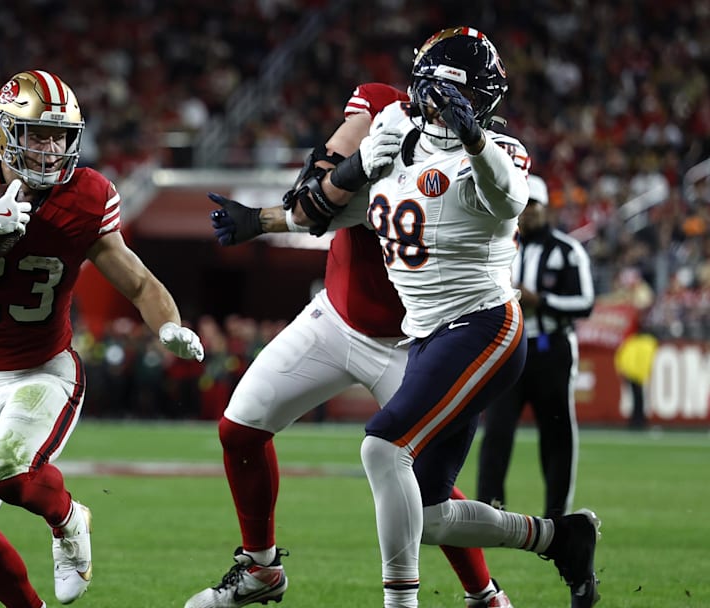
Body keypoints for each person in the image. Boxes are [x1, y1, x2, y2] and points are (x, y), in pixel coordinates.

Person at [283, 27, 602, 608]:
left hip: (483, 327)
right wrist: (271, 214)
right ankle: (559, 537)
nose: (449, 107)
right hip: (427, 337)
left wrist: (475, 138)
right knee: (426, 516)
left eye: (466, 100)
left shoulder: (502, 151)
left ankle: (401, 603)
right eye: (444, 94)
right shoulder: (395, 129)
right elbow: (330, 209)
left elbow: (510, 198)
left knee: (382, 448)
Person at [186, 83, 513, 608]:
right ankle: (261, 568)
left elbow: (316, 209)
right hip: (337, 318)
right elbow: (313, 196)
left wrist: (275, 215)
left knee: (424, 481)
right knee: (240, 427)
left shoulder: (465, 162)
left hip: (418, 339)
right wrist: (290, 204)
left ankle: (485, 594)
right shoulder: (387, 118)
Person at [0, 70, 204, 608]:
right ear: (2, 132)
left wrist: (169, 325)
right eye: (36, 135)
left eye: (59, 137)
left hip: (46, 371)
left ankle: (69, 518)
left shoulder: (88, 196)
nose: (50, 150)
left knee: (6, 468)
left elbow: (138, 281)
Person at [476, 175, 595, 518]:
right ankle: (490, 512)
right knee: (496, 431)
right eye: (522, 206)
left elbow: (585, 303)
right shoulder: (500, 246)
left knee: (557, 433)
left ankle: (557, 514)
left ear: (546, 208)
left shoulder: (567, 250)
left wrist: (540, 301)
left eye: (533, 206)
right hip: (509, 347)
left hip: (551, 348)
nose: (526, 214)